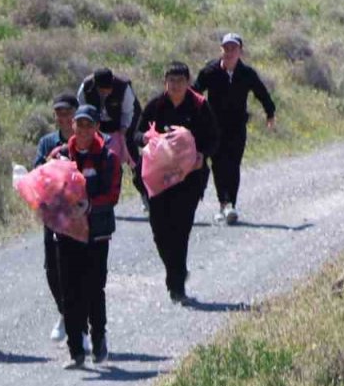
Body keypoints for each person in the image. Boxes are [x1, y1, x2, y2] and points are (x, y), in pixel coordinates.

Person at [135, 62, 218, 305]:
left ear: (187, 82)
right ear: (165, 82)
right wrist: (146, 139)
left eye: (180, 81)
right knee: (160, 231)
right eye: (171, 80)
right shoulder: (156, 105)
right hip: (159, 179)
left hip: (189, 179)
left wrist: (202, 155)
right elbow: (137, 134)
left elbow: (214, 138)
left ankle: (177, 284)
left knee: (180, 230)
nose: (175, 85)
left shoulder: (200, 106)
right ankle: (175, 271)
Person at [48, 105, 120, 369]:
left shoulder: (108, 158)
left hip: (97, 234)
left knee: (93, 288)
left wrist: (88, 206)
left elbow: (111, 195)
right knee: (70, 291)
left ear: (96, 127)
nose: (84, 130)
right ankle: (76, 351)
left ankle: (99, 337)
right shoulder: (60, 155)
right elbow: (47, 187)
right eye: (80, 124)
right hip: (66, 234)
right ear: (73, 127)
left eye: (89, 125)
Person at [193, 32, 276, 225]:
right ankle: (224, 204)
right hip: (214, 127)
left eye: (234, 49)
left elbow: (262, 93)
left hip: (237, 126)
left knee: (233, 165)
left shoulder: (247, 73)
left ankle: (231, 205)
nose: (229, 52)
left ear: (240, 52)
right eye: (226, 48)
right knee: (219, 164)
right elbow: (194, 93)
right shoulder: (210, 71)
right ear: (221, 50)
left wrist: (270, 113)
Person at [34, 94, 78, 343]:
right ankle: (65, 313)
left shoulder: (84, 140)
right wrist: (48, 164)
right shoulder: (47, 142)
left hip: (79, 215)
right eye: (59, 113)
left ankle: (78, 319)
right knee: (52, 268)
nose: (63, 117)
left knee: (77, 268)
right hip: (53, 214)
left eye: (67, 112)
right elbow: (36, 172)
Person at [77, 67, 146, 210]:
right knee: (101, 160)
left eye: (108, 89)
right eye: (102, 90)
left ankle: (146, 195)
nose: (106, 92)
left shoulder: (123, 88)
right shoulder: (85, 88)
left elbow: (129, 112)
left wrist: (123, 133)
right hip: (99, 125)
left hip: (127, 121)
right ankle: (103, 199)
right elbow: (82, 112)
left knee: (132, 157)